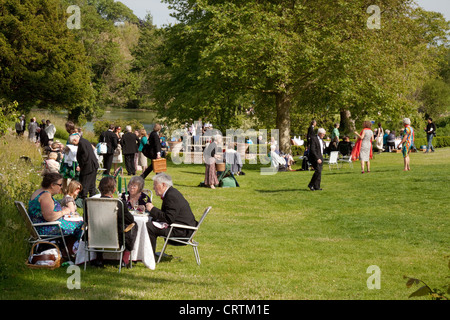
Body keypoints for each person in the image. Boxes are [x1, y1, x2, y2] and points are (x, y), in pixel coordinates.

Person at [145, 173, 198, 257]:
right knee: (150, 223)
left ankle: (149, 256)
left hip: (181, 231)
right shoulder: (171, 193)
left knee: (149, 226)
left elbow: (168, 218)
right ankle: (146, 254)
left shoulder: (171, 196)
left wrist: (152, 209)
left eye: (155, 185)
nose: (153, 188)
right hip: (181, 228)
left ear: (163, 185)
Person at [93, 176, 137, 268]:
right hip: (117, 238)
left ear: (99, 189)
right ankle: (125, 259)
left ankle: (99, 258)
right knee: (134, 225)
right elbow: (130, 220)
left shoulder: (90, 202)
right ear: (114, 190)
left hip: (95, 237)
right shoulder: (119, 204)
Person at [28, 173, 83, 242]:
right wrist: (64, 212)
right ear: (52, 185)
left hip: (41, 225)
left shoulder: (39, 192)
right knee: (81, 225)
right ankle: (77, 248)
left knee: (78, 223)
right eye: (60, 185)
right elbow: (50, 217)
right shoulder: (45, 196)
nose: (61, 187)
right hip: (46, 229)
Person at [70, 133, 99, 200]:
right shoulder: (84, 141)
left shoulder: (81, 143)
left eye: (73, 143)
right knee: (92, 184)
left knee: (85, 183)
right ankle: (92, 196)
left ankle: (83, 198)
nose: (74, 145)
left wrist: (81, 166)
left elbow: (84, 156)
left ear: (75, 140)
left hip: (88, 166)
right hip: (92, 165)